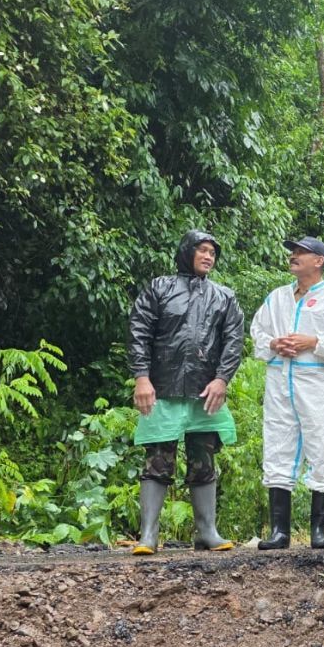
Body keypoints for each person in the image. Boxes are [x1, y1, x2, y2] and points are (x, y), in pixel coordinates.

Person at [128, 230, 243, 555]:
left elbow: (233, 341)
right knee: (157, 461)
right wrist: (141, 377)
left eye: (212, 252)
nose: (208, 257)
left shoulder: (224, 296)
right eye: (202, 250)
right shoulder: (160, 288)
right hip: (162, 388)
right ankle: (148, 534)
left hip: (206, 390)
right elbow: (139, 331)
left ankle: (207, 530)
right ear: (187, 252)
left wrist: (222, 378)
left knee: (203, 460)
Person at [252, 237, 324, 550]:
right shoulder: (277, 298)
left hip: (318, 384)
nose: (294, 256)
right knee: (277, 444)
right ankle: (280, 532)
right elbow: (257, 332)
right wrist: (274, 344)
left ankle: (319, 531)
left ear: (319, 260)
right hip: (279, 380)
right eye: (293, 251)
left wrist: (313, 342)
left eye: (301, 252)